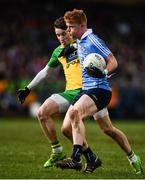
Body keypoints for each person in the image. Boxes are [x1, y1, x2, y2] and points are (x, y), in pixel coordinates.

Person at [55, 9, 143, 175]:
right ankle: (131, 158)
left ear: (82, 26)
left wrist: (103, 72)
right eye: (67, 27)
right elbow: (73, 45)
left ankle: (75, 159)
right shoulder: (79, 41)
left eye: (71, 27)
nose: (68, 31)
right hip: (87, 91)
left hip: (100, 90)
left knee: (75, 114)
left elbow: (113, 61)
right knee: (70, 129)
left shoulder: (93, 40)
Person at [17, 17, 109, 170]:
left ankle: (122, 157)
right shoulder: (58, 51)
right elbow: (45, 72)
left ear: (70, 31)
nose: (61, 38)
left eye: (63, 34)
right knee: (42, 112)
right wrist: (28, 88)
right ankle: (58, 151)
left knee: (106, 129)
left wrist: (74, 48)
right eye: (57, 35)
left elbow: (93, 47)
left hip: (88, 91)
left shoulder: (82, 43)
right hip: (70, 92)